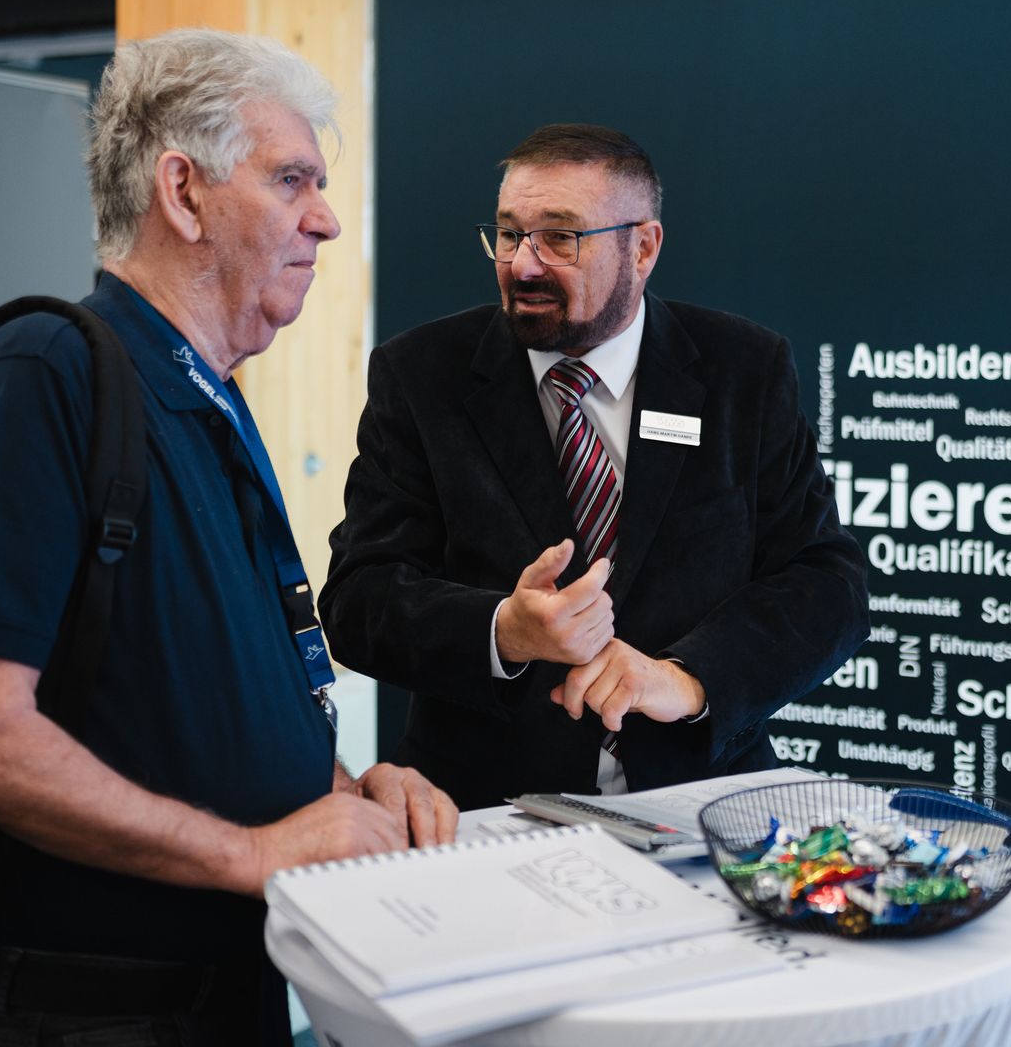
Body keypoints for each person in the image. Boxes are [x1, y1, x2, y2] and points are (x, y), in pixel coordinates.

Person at [0, 29, 457, 1046]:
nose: (326, 219)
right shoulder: (45, 375)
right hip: (84, 1010)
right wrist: (253, 853)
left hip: (220, 991)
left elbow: (188, 698)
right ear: (184, 192)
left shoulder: (204, 396)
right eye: (291, 180)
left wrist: (347, 797)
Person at [321, 123, 869, 812]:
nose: (523, 265)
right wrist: (503, 631)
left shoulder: (743, 371)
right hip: (486, 809)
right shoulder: (422, 375)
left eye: (560, 237)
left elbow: (826, 583)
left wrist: (688, 680)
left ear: (643, 248)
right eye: (509, 234)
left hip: (698, 802)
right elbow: (358, 599)